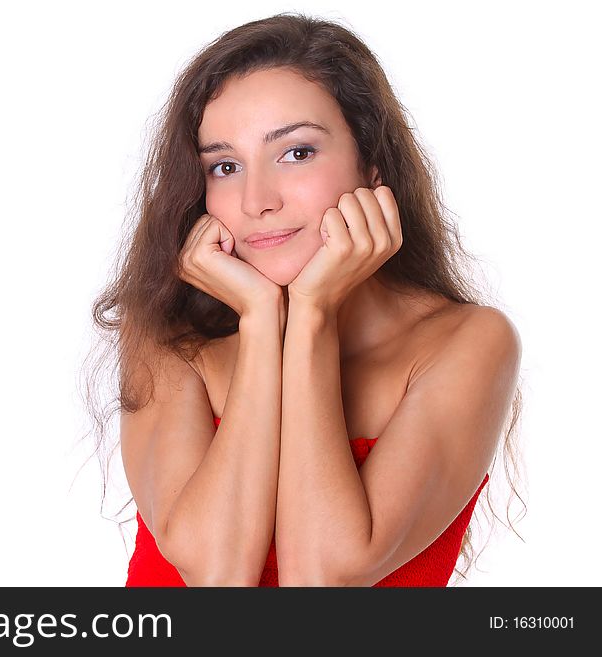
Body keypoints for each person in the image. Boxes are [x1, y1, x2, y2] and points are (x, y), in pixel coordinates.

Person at [82, 12, 525, 587]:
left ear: (373, 163)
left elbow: (325, 578)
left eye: (296, 153)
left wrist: (312, 314)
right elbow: (214, 577)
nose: (256, 199)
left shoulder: (466, 342)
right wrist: (263, 321)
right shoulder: (169, 341)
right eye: (225, 166)